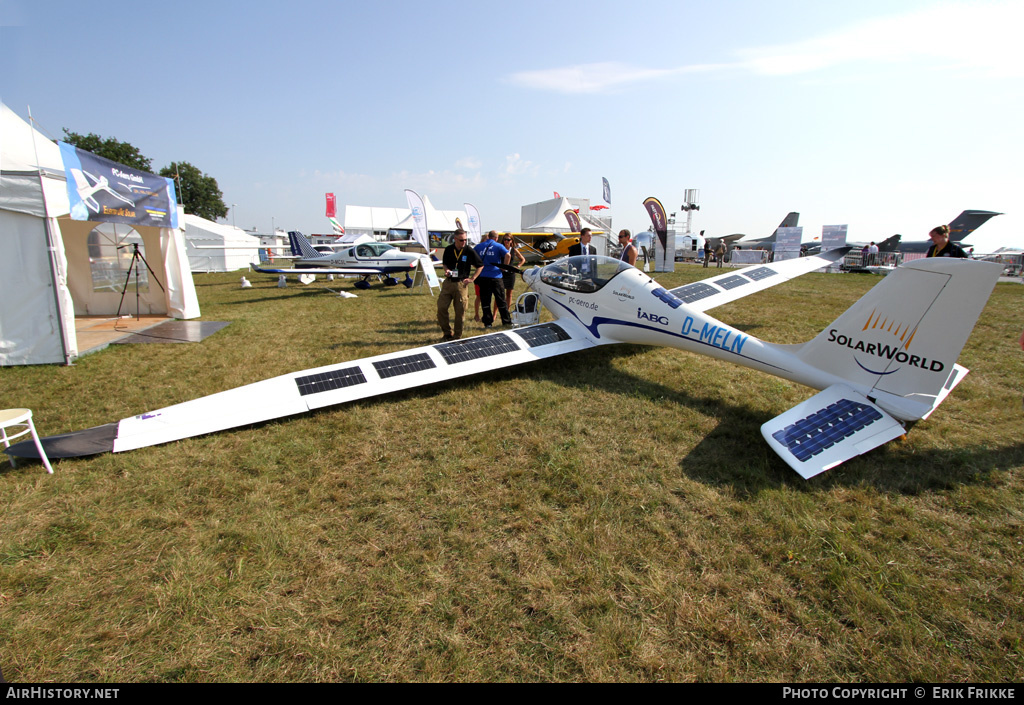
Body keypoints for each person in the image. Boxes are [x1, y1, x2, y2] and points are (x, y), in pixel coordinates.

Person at [437, 228, 483, 341]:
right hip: (448, 283)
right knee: (441, 307)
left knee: (460, 311)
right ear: (455, 239)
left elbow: (480, 266)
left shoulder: (469, 251)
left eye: (465, 240)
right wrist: (447, 270)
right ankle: (447, 333)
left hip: (461, 284)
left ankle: (457, 336)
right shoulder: (448, 249)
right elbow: (445, 264)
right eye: (461, 240)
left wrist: (472, 278)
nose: (464, 242)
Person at [474, 230, 512, 328]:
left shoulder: (479, 246)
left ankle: (487, 322)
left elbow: (472, 257)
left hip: (483, 276)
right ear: (496, 238)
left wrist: (477, 267)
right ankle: (506, 321)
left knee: (485, 300)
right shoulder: (498, 246)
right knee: (501, 300)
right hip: (496, 276)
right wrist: (504, 267)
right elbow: (508, 255)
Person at [500, 233, 526, 310]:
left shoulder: (514, 250)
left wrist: (518, 266)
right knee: (500, 293)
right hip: (501, 273)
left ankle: (507, 310)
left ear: (511, 241)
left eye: (508, 240)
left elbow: (523, 259)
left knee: (509, 293)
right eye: (505, 239)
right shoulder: (500, 248)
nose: (506, 241)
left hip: (510, 273)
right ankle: (497, 311)